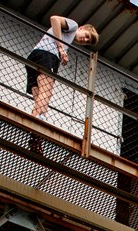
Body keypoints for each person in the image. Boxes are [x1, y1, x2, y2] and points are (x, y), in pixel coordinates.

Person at [24, 15, 98, 153]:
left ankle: (34, 133)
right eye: (86, 35)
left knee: (39, 97)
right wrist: (61, 48)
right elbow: (54, 19)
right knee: (47, 92)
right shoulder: (74, 25)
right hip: (47, 55)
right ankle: (39, 123)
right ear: (82, 28)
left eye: (87, 41)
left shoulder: (67, 38)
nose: (85, 40)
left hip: (35, 56)